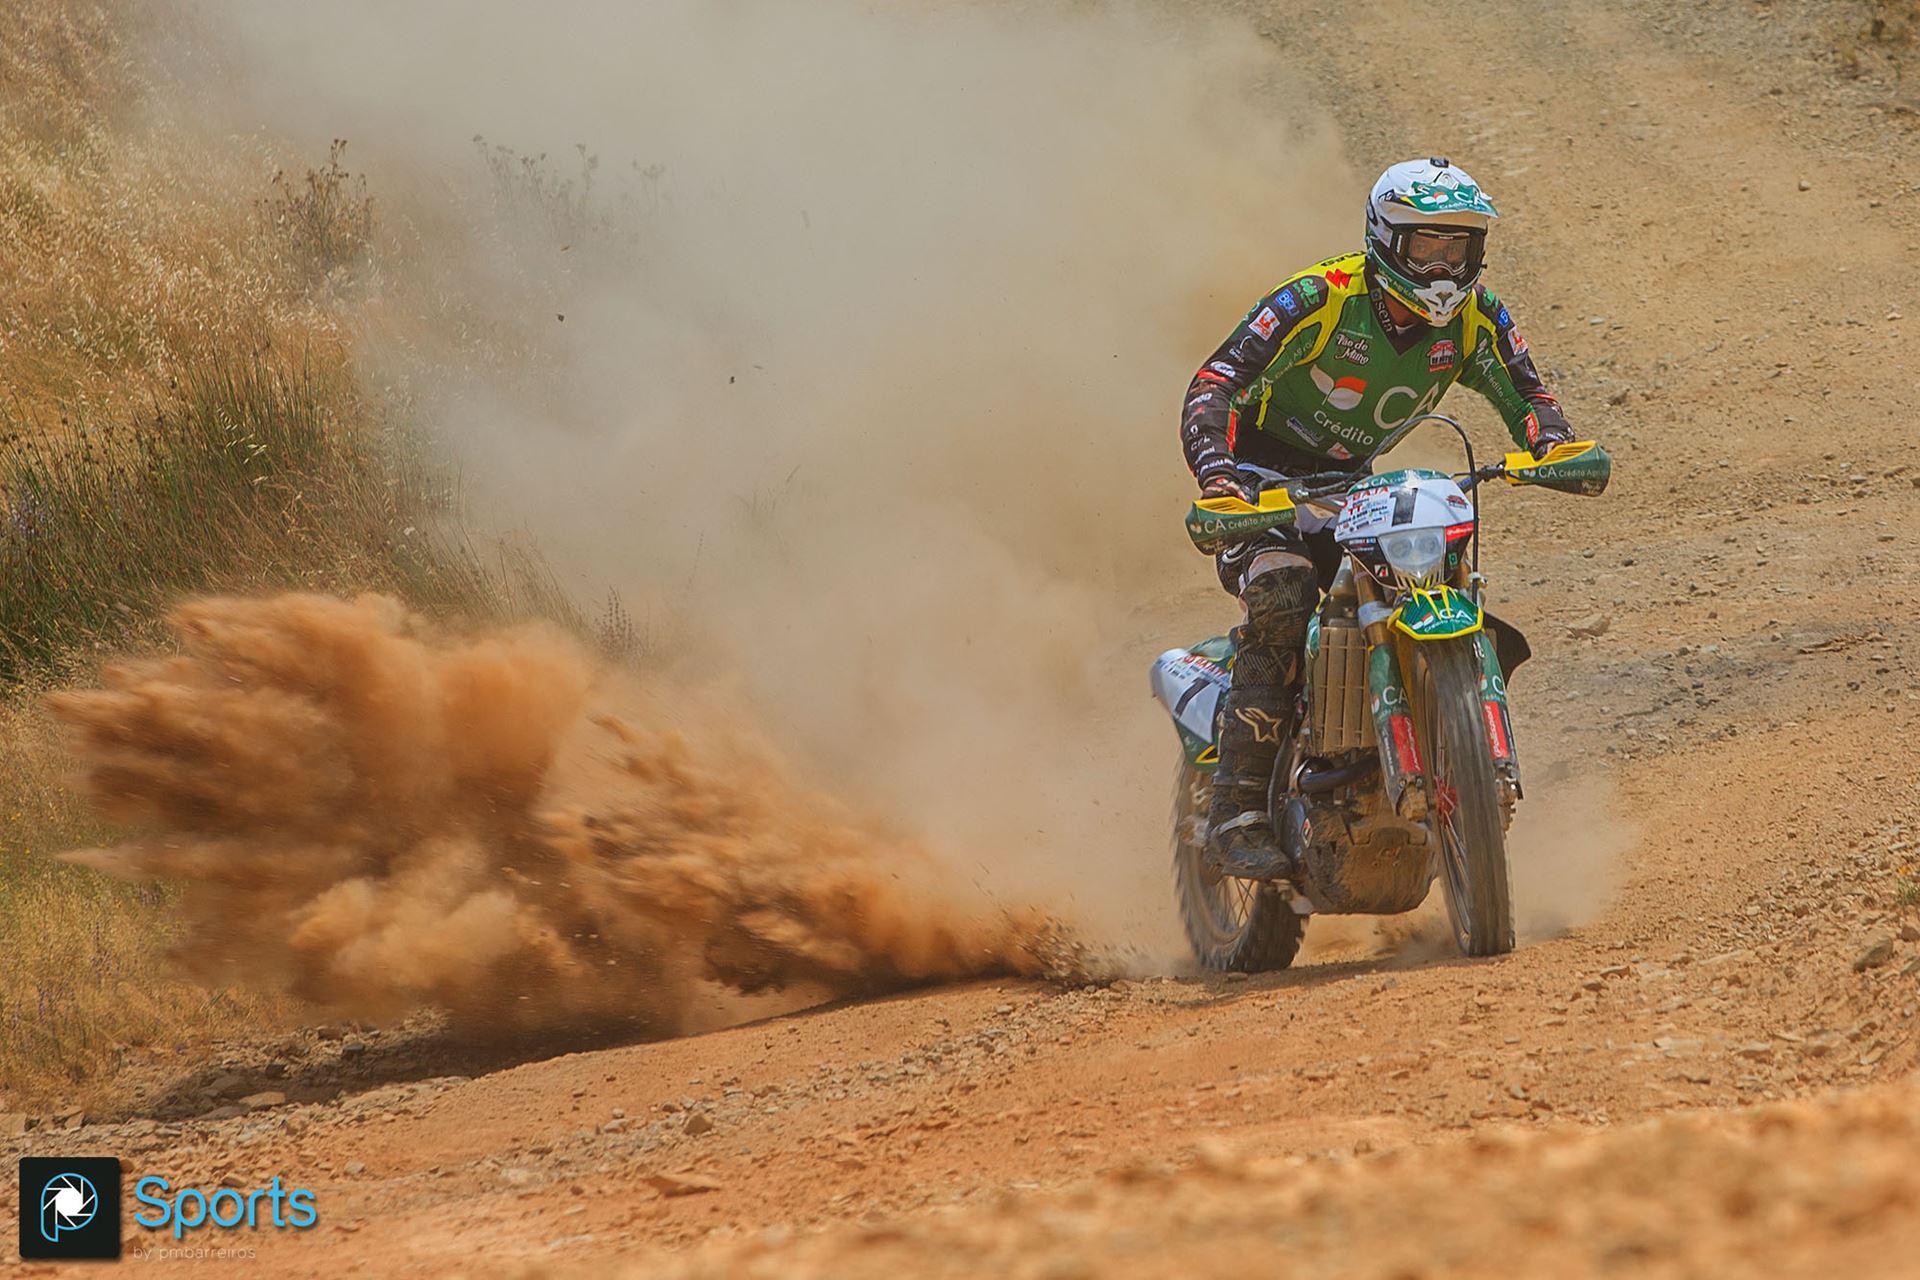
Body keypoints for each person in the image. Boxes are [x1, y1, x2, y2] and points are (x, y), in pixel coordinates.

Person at [1179, 157, 1575, 881]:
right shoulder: (1320, 299)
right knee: (1283, 595)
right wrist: (1221, 479)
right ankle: (1237, 809)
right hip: (1260, 487)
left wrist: (1551, 443)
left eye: (1459, 246)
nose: (1444, 264)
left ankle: (1433, 748)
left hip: (1349, 486)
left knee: (1428, 572)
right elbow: (1215, 383)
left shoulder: (1478, 317)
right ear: (1387, 240)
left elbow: (1528, 393)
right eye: (1427, 245)